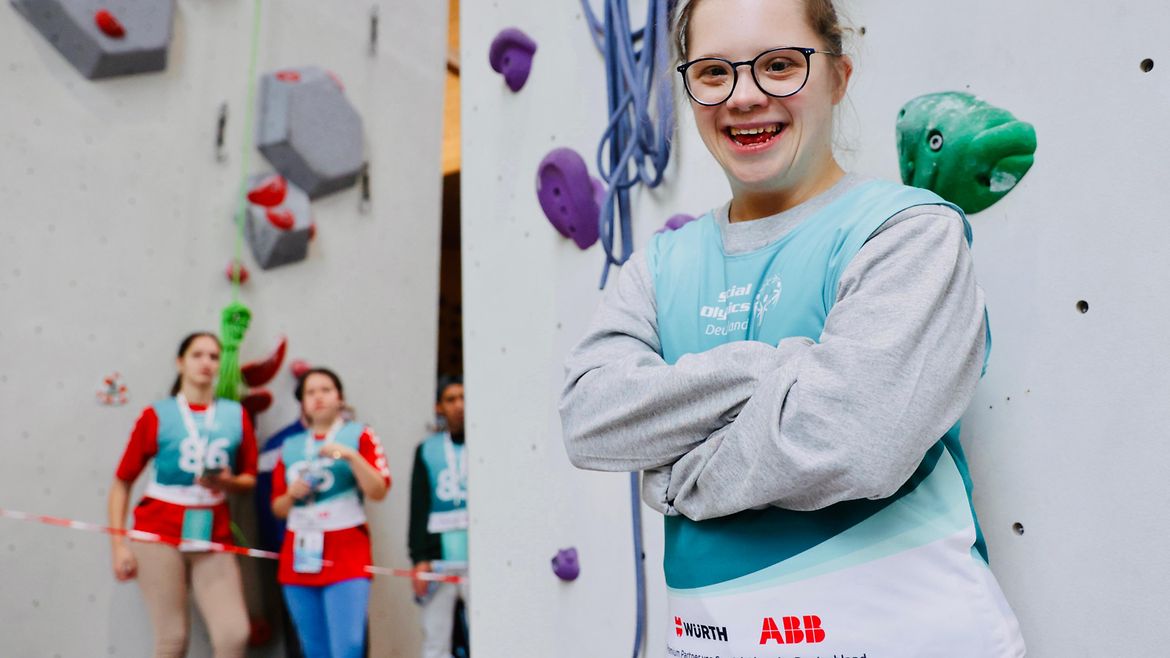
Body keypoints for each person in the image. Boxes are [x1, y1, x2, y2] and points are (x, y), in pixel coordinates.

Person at [559, 1, 1026, 655]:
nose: (745, 97)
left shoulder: (907, 232)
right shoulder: (659, 266)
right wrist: (775, 372)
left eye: (780, 66)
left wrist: (671, 475)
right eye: (715, 73)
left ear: (839, 75)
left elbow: (854, 443)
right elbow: (589, 419)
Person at [108, 331, 258, 658]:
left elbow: (249, 478)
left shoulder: (236, 415)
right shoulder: (157, 415)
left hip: (212, 530)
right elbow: (122, 482)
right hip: (157, 530)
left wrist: (228, 484)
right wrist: (119, 544)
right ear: (180, 363)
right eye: (197, 354)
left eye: (214, 356)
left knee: (234, 634)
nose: (206, 362)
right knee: (172, 639)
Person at [271, 368, 390, 658]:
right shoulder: (291, 446)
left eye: (326, 389)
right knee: (313, 648)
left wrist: (350, 456)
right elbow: (277, 507)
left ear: (340, 397)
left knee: (348, 646)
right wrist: (291, 494)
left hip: (347, 549)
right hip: (300, 553)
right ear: (302, 403)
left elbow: (379, 490)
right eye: (310, 392)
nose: (318, 397)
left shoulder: (359, 435)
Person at [409, 376, 470, 658]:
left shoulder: (489, 446)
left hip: (479, 561)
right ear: (439, 407)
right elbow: (419, 506)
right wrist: (420, 558)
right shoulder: (428, 450)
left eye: (464, 397)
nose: (459, 405)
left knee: (488, 634)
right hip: (440, 560)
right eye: (451, 399)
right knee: (436, 639)